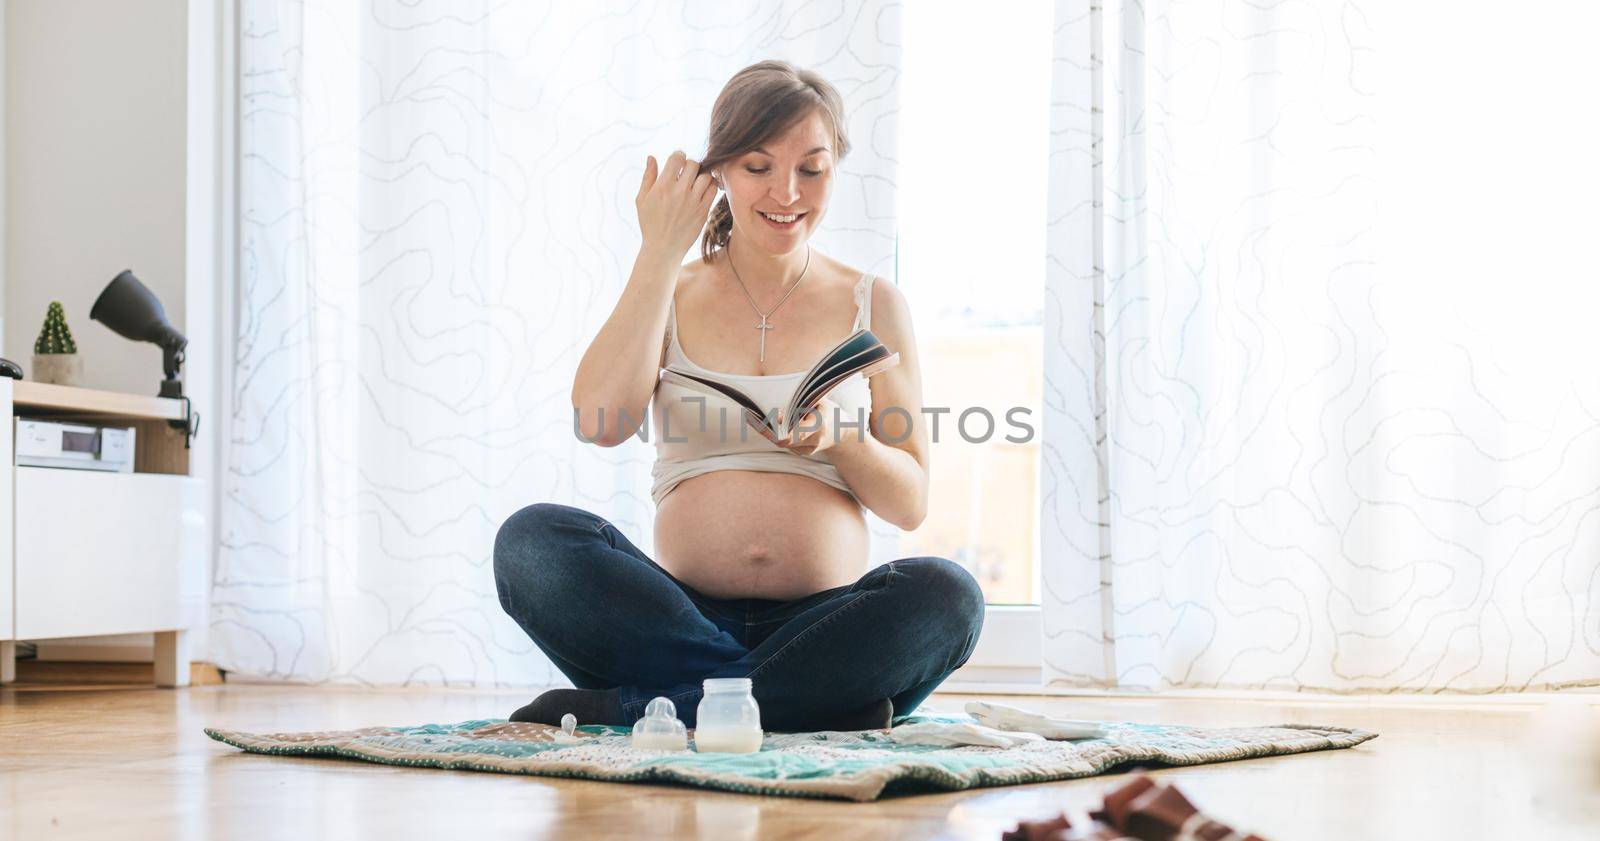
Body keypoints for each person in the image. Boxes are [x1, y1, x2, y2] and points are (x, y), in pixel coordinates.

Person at [493, 60, 984, 732]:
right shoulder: (672, 287)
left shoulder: (876, 302)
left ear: (835, 169)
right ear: (719, 170)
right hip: (677, 618)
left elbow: (910, 502)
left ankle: (648, 707)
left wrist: (844, 439)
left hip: (825, 622)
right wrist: (659, 255)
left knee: (949, 595)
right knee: (529, 543)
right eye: (758, 166)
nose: (787, 192)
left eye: (811, 168)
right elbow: (599, 420)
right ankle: (807, 704)